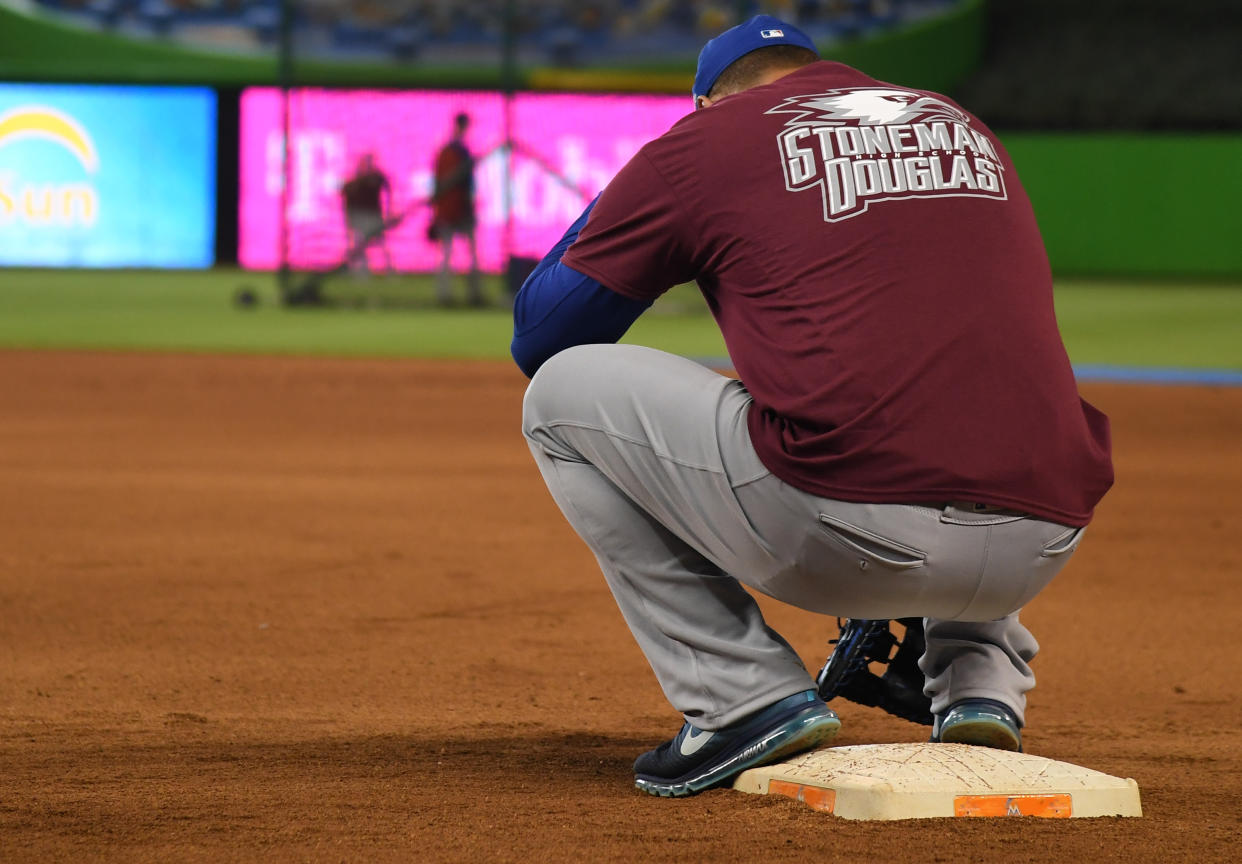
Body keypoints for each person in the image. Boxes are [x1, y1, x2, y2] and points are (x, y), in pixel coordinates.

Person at [510, 15, 1113, 798]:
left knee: (560, 397)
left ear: (704, 103)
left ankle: (742, 701)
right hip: (1042, 537)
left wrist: (630, 189)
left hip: (853, 531)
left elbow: (545, 334)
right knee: (966, 383)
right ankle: (981, 687)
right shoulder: (957, 122)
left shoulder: (704, 143)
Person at [431, 112, 484, 307]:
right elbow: (448, 183)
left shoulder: (450, 151)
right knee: (456, 254)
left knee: (454, 254)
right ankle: (465, 294)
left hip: (452, 209)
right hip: (456, 209)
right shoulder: (454, 151)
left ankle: (460, 294)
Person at [339, 152, 393, 275]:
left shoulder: (376, 177)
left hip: (374, 216)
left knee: (381, 244)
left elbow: (388, 189)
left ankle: (389, 270)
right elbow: (347, 195)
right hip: (361, 217)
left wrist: (389, 210)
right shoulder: (357, 180)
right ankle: (363, 271)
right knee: (360, 245)